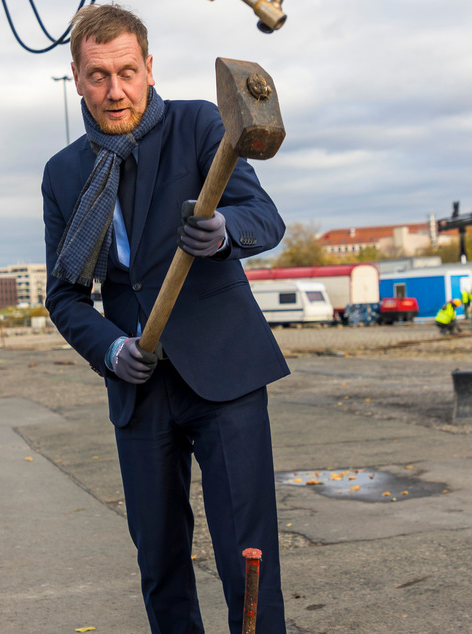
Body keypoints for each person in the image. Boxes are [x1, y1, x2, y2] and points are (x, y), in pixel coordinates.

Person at [41, 5, 288, 633]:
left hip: (222, 373)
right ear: (76, 78)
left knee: (247, 558)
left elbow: (266, 218)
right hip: (139, 386)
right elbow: (65, 295)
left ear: (149, 68)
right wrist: (109, 349)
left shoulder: (199, 125)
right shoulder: (64, 174)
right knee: (160, 563)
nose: (115, 91)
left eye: (127, 71)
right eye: (98, 76)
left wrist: (226, 231)